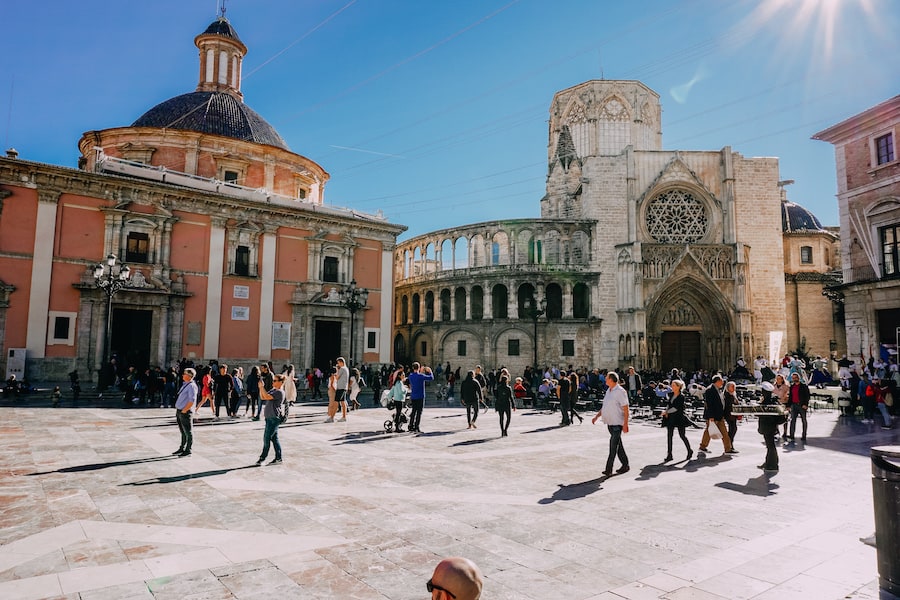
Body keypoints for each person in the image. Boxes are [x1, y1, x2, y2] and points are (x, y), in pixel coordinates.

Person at [592, 371, 630, 476]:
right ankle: (625, 464)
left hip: (618, 423)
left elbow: (626, 409)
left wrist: (626, 424)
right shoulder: (609, 390)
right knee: (618, 446)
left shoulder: (620, 391)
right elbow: (605, 407)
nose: (605, 380)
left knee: (613, 446)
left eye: (607, 378)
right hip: (610, 423)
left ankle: (609, 469)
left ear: (612, 380)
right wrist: (597, 416)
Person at [698, 375, 736, 454]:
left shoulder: (718, 390)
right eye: (722, 381)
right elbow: (709, 404)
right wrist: (711, 416)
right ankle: (703, 446)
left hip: (719, 415)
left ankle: (728, 448)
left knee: (724, 433)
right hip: (713, 416)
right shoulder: (710, 390)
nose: (723, 382)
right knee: (708, 431)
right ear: (718, 381)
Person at [255, 373, 285, 465]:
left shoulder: (279, 392)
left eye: (275, 381)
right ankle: (278, 458)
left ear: (281, 382)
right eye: (273, 380)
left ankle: (262, 458)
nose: (273, 382)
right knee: (274, 438)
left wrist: (262, 387)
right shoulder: (273, 390)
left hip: (274, 418)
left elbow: (267, 396)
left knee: (266, 438)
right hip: (269, 418)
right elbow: (263, 396)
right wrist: (261, 388)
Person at [756, 381, 785, 472]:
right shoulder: (773, 400)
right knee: (770, 445)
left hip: (768, 427)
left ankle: (773, 465)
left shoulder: (766, 402)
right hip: (771, 427)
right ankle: (768, 462)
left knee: (770, 446)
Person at [662, 379, 693, 462]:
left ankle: (689, 450)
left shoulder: (681, 396)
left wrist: (666, 411)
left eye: (674, 385)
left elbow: (676, 408)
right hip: (671, 417)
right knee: (669, 436)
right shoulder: (670, 394)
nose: (672, 387)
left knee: (682, 435)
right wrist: (666, 411)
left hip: (679, 417)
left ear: (679, 387)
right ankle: (669, 454)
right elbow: (669, 404)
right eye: (672, 385)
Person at [172, 367, 198, 457]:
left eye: (185, 374)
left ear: (189, 376)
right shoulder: (186, 384)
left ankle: (188, 450)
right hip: (180, 410)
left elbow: (192, 400)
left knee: (188, 431)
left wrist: (184, 410)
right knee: (183, 431)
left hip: (185, 412)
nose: (183, 375)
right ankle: (182, 447)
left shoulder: (191, 386)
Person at [407, 362, 434, 433]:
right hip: (420, 396)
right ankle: (416, 427)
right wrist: (430, 371)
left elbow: (416, 377)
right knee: (419, 413)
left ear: (413, 368)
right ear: (418, 368)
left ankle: (410, 426)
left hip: (413, 396)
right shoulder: (421, 376)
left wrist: (420, 372)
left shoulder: (411, 375)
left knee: (413, 412)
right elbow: (431, 378)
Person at [787, 371, 810, 444]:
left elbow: (807, 396)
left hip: (801, 405)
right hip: (794, 405)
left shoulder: (804, 386)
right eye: (793, 378)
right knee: (792, 420)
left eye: (795, 378)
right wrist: (788, 405)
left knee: (804, 420)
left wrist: (805, 404)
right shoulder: (792, 387)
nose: (794, 379)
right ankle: (791, 435)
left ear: (798, 378)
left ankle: (804, 435)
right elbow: (790, 396)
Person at [723, 380, 740, 451]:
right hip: (729, 415)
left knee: (733, 429)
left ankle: (730, 444)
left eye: (734, 386)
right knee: (732, 429)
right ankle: (729, 445)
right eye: (732, 386)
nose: (733, 388)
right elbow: (729, 405)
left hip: (733, 415)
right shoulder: (727, 395)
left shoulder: (733, 394)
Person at [332, 357, 350, 422]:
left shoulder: (342, 369)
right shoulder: (346, 369)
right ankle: (344, 417)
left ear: (341, 362)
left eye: (338, 363)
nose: (338, 364)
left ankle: (332, 417)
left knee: (336, 402)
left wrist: (336, 372)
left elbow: (337, 377)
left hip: (340, 387)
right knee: (343, 402)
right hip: (344, 387)